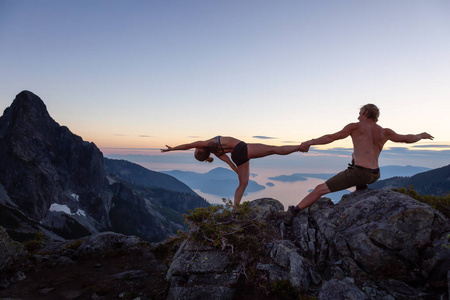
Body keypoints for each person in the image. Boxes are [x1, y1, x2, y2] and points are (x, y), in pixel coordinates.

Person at [283, 104, 434, 224]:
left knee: (319, 189)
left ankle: (293, 212)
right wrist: (421, 135)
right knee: (354, 154)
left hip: (360, 173)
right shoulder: (385, 131)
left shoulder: (355, 126)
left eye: (360, 113)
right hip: (375, 174)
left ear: (366, 113)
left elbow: (331, 137)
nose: (358, 116)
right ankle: (361, 187)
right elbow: (407, 138)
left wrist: (311, 141)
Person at [161, 136, 300, 208]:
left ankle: (236, 208)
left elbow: (230, 162)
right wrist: (172, 149)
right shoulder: (208, 144)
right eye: (196, 149)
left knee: (243, 183)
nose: (195, 148)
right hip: (241, 148)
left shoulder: (217, 152)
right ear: (201, 150)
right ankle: (299, 147)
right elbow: (187, 145)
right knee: (273, 149)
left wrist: (238, 173)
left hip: (238, 155)